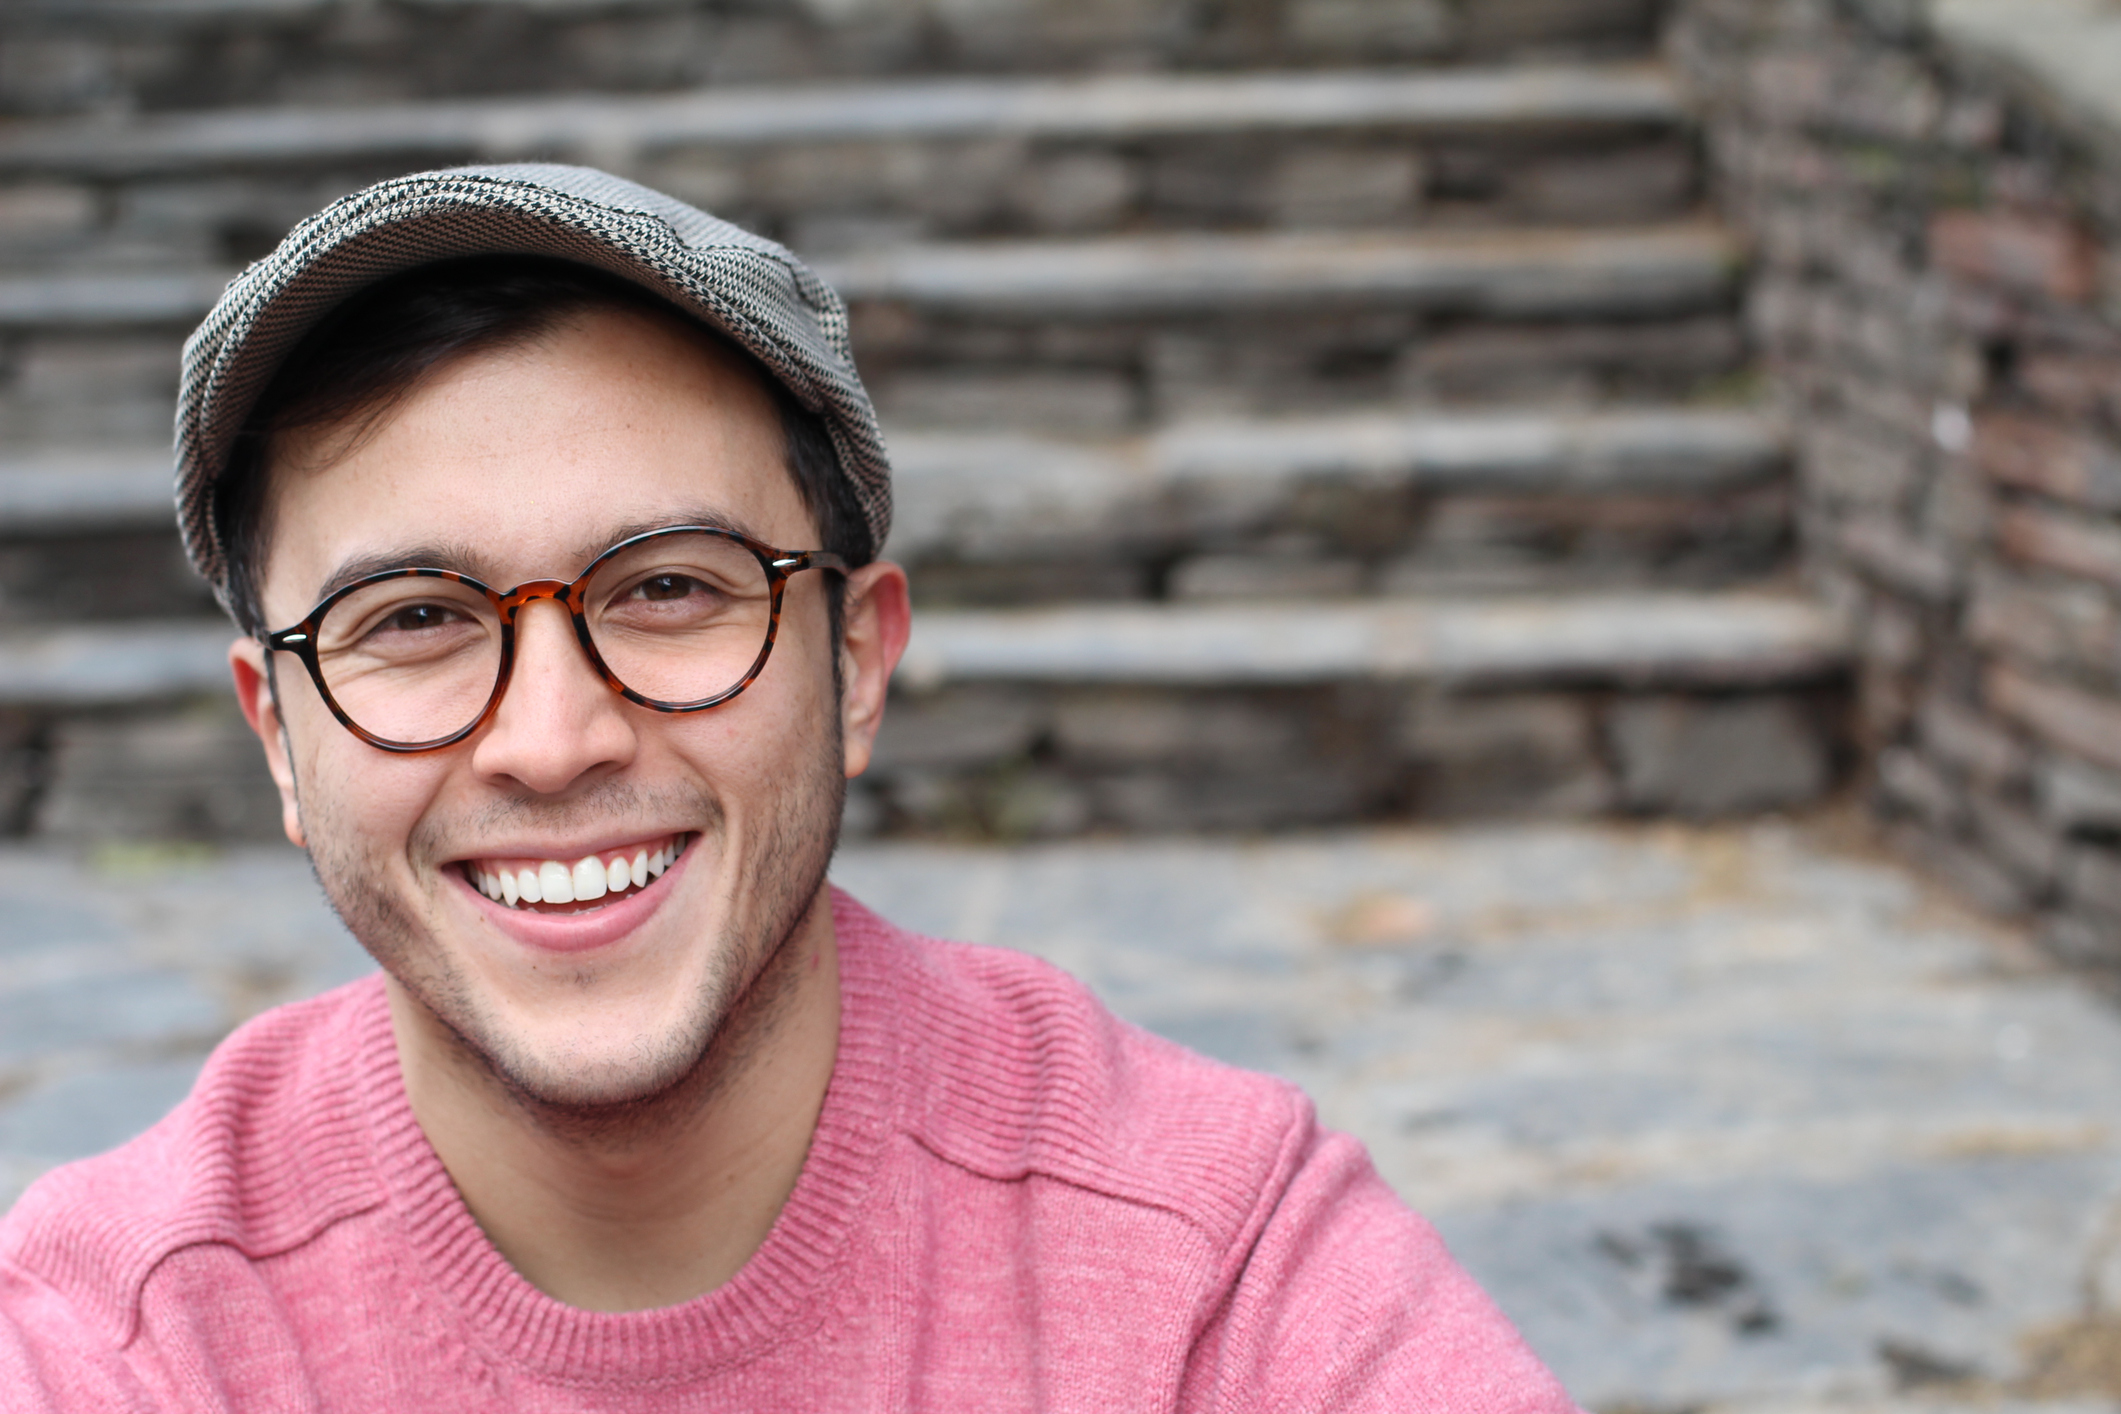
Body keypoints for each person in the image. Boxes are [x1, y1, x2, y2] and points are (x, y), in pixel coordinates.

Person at [0, 165, 1577, 1410]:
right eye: (413, 620)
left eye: (671, 589)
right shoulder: (116, 1338)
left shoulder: (1207, 1264)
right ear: (278, 735)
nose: (551, 740)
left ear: (859, 665)